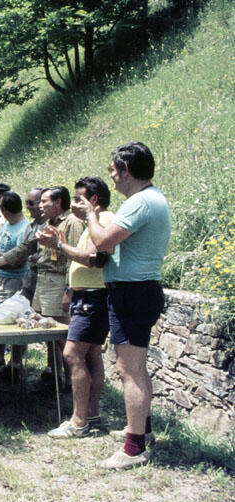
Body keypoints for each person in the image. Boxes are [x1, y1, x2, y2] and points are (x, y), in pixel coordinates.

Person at [72, 142, 170, 469]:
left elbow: (102, 241)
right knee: (135, 367)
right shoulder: (151, 200)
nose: (111, 179)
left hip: (132, 293)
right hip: (139, 291)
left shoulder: (139, 202)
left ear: (126, 170)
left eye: (113, 171)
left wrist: (90, 216)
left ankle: (134, 448)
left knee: (129, 371)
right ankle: (142, 431)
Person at [0, 186, 85, 386]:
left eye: (44, 201)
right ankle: (54, 377)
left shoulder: (72, 223)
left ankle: (73, 385)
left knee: (62, 336)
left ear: (57, 203)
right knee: (50, 336)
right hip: (43, 283)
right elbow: (24, 248)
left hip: (58, 283)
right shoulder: (45, 224)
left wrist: (69, 291)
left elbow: (74, 260)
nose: (39, 205)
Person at [38, 177, 113, 438]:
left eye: (79, 199)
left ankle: (79, 421)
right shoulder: (92, 222)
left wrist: (58, 246)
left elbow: (93, 259)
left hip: (93, 298)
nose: (74, 204)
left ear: (93, 200)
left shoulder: (101, 220)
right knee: (91, 355)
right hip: (87, 297)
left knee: (71, 354)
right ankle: (92, 416)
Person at [0, 192, 30, 379]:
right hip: (0, 277)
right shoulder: (7, 224)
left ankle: (15, 363)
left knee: (13, 320)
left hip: (15, 281)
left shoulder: (24, 229)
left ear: (5, 209)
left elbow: (20, 261)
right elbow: (0, 247)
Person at [21, 188, 46, 302]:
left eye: (31, 203)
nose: (28, 207)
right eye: (27, 202)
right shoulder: (30, 227)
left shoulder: (51, 226)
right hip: (30, 277)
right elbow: (22, 250)